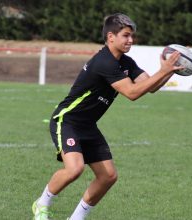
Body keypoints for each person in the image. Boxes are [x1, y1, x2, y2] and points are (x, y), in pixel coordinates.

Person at [32, 13, 183, 220]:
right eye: (126, 35)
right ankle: (42, 203)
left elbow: (150, 87)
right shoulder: (104, 62)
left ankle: (76, 218)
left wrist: (169, 71)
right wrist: (163, 71)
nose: (131, 40)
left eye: (132, 36)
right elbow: (132, 93)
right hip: (67, 120)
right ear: (111, 37)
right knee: (75, 169)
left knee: (108, 176)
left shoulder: (126, 62)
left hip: (88, 125)